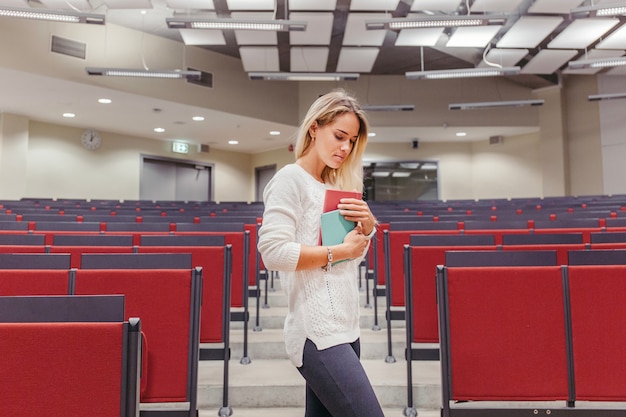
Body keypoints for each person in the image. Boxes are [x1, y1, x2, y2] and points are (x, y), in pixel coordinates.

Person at [257, 88, 383, 417]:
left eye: (352, 141)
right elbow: (272, 252)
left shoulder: (335, 186)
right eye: (339, 136)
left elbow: (349, 259)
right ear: (315, 127)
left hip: (347, 327)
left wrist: (367, 229)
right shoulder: (290, 179)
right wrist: (338, 251)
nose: (345, 147)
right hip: (317, 331)